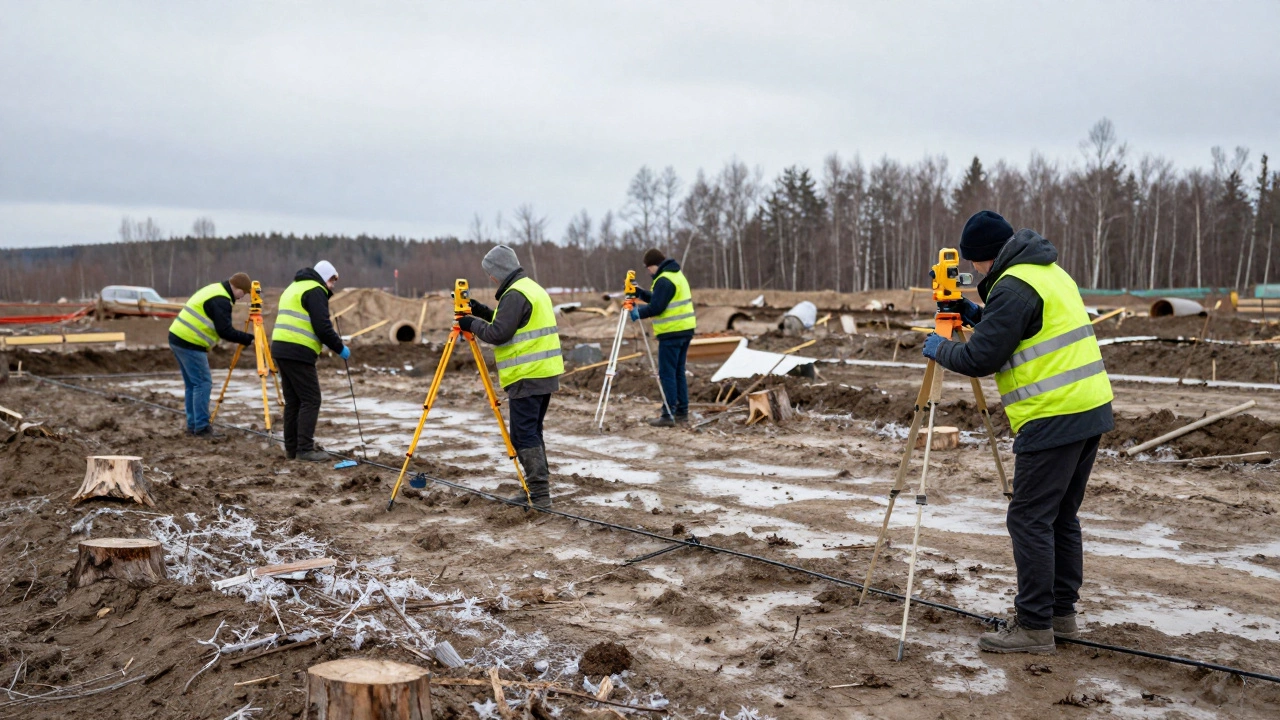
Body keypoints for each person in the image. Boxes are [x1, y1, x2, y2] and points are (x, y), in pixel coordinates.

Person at [922, 210, 1114, 654]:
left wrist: (940, 347)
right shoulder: (1046, 272)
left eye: (973, 263)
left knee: (1028, 519)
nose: (973, 271)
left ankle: (1033, 626)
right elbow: (1021, 329)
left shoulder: (1011, 287)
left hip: (1053, 415)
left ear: (986, 256)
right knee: (1060, 517)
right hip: (1090, 408)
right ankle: (1060, 617)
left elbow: (980, 359)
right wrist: (974, 313)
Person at [458, 245, 563, 509]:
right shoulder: (531, 289)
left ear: (500, 270)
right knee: (532, 433)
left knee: (523, 436)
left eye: (491, 273)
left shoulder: (514, 294)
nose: (490, 278)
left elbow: (498, 333)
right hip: (543, 373)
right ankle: (536, 490)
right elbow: (512, 323)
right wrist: (481, 311)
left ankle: (539, 495)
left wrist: (470, 324)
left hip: (526, 375)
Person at [270, 260, 350, 462]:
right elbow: (322, 326)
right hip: (298, 350)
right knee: (311, 399)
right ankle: (305, 449)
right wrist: (339, 347)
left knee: (294, 401)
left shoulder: (293, 287)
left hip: (281, 348)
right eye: (331, 280)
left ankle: (292, 449)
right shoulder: (315, 290)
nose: (332, 286)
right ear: (324, 277)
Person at [168, 273, 256, 438]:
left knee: (193, 385)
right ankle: (201, 428)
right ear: (236, 287)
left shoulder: (215, 289)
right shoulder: (221, 300)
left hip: (178, 337)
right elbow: (225, 331)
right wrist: (249, 339)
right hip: (190, 342)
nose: (242, 297)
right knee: (203, 383)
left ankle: (193, 425)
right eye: (243, 293)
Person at [630, 248, 696, 426]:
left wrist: (637, 313)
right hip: (685, 330)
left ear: (654, 265)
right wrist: (640, 293)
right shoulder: (675, 275)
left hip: (671, 332)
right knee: (678, 372)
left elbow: (657, 307)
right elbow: (659, 298)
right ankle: (681, 412)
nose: (648, 272)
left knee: (667, 374)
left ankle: (668, 415)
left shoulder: (664, 280)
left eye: (648, 268)